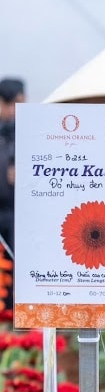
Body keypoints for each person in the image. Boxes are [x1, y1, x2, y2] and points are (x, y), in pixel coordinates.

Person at [0, 76, 22, 257]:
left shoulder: (30, 135)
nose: (13, 111)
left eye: (18, 104)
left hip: (19, 216)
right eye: (7, 104)